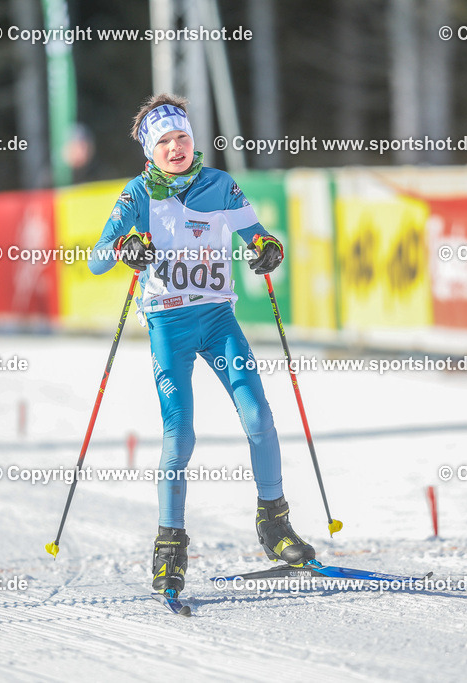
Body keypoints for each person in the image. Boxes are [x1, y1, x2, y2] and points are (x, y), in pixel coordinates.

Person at [88, 94, 315, 597]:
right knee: (181, 432)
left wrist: (268, 249)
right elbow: (97, 261)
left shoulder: (220, 186)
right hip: (169, 323)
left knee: (257, 416)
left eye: (183, 138)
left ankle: (274, 524)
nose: (176, 148)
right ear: (150, 149)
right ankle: (170, 545)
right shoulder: (137, 195)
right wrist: (126, 247)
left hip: (217, 319)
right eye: (165, 141)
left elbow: (257, 237)